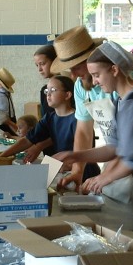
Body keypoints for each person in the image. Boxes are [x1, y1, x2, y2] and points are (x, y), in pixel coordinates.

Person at [56, 40, 133, 221]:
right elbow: (113, 148)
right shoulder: (120, 101)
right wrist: (75, 156)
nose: (94, 82)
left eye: (97, 75)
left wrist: (104, 179)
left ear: (114, 70)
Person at [0, 75, 101, 180]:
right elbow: (27, 140)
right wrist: (0, 158)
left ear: (67, 95)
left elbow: (86, 153)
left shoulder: (79, 120)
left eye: (53, 90)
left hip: (85, 174)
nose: (48, 94)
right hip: (64, 171)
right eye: (47, 91)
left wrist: (67, 163)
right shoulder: (49, 118)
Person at [49, 26, 111, 191]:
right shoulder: (80, 86)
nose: (73, 75)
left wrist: (106, 175)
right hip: (114, 158)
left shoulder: (116, 84)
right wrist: (77, 171)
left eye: (76, 67)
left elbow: (128, 144)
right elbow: (83, 131)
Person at [34, 44, 59, 117]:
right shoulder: (44, 90)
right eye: (37, 65)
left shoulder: (66, 87)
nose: (39, 69)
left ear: (55, 61)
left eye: (42, 64)